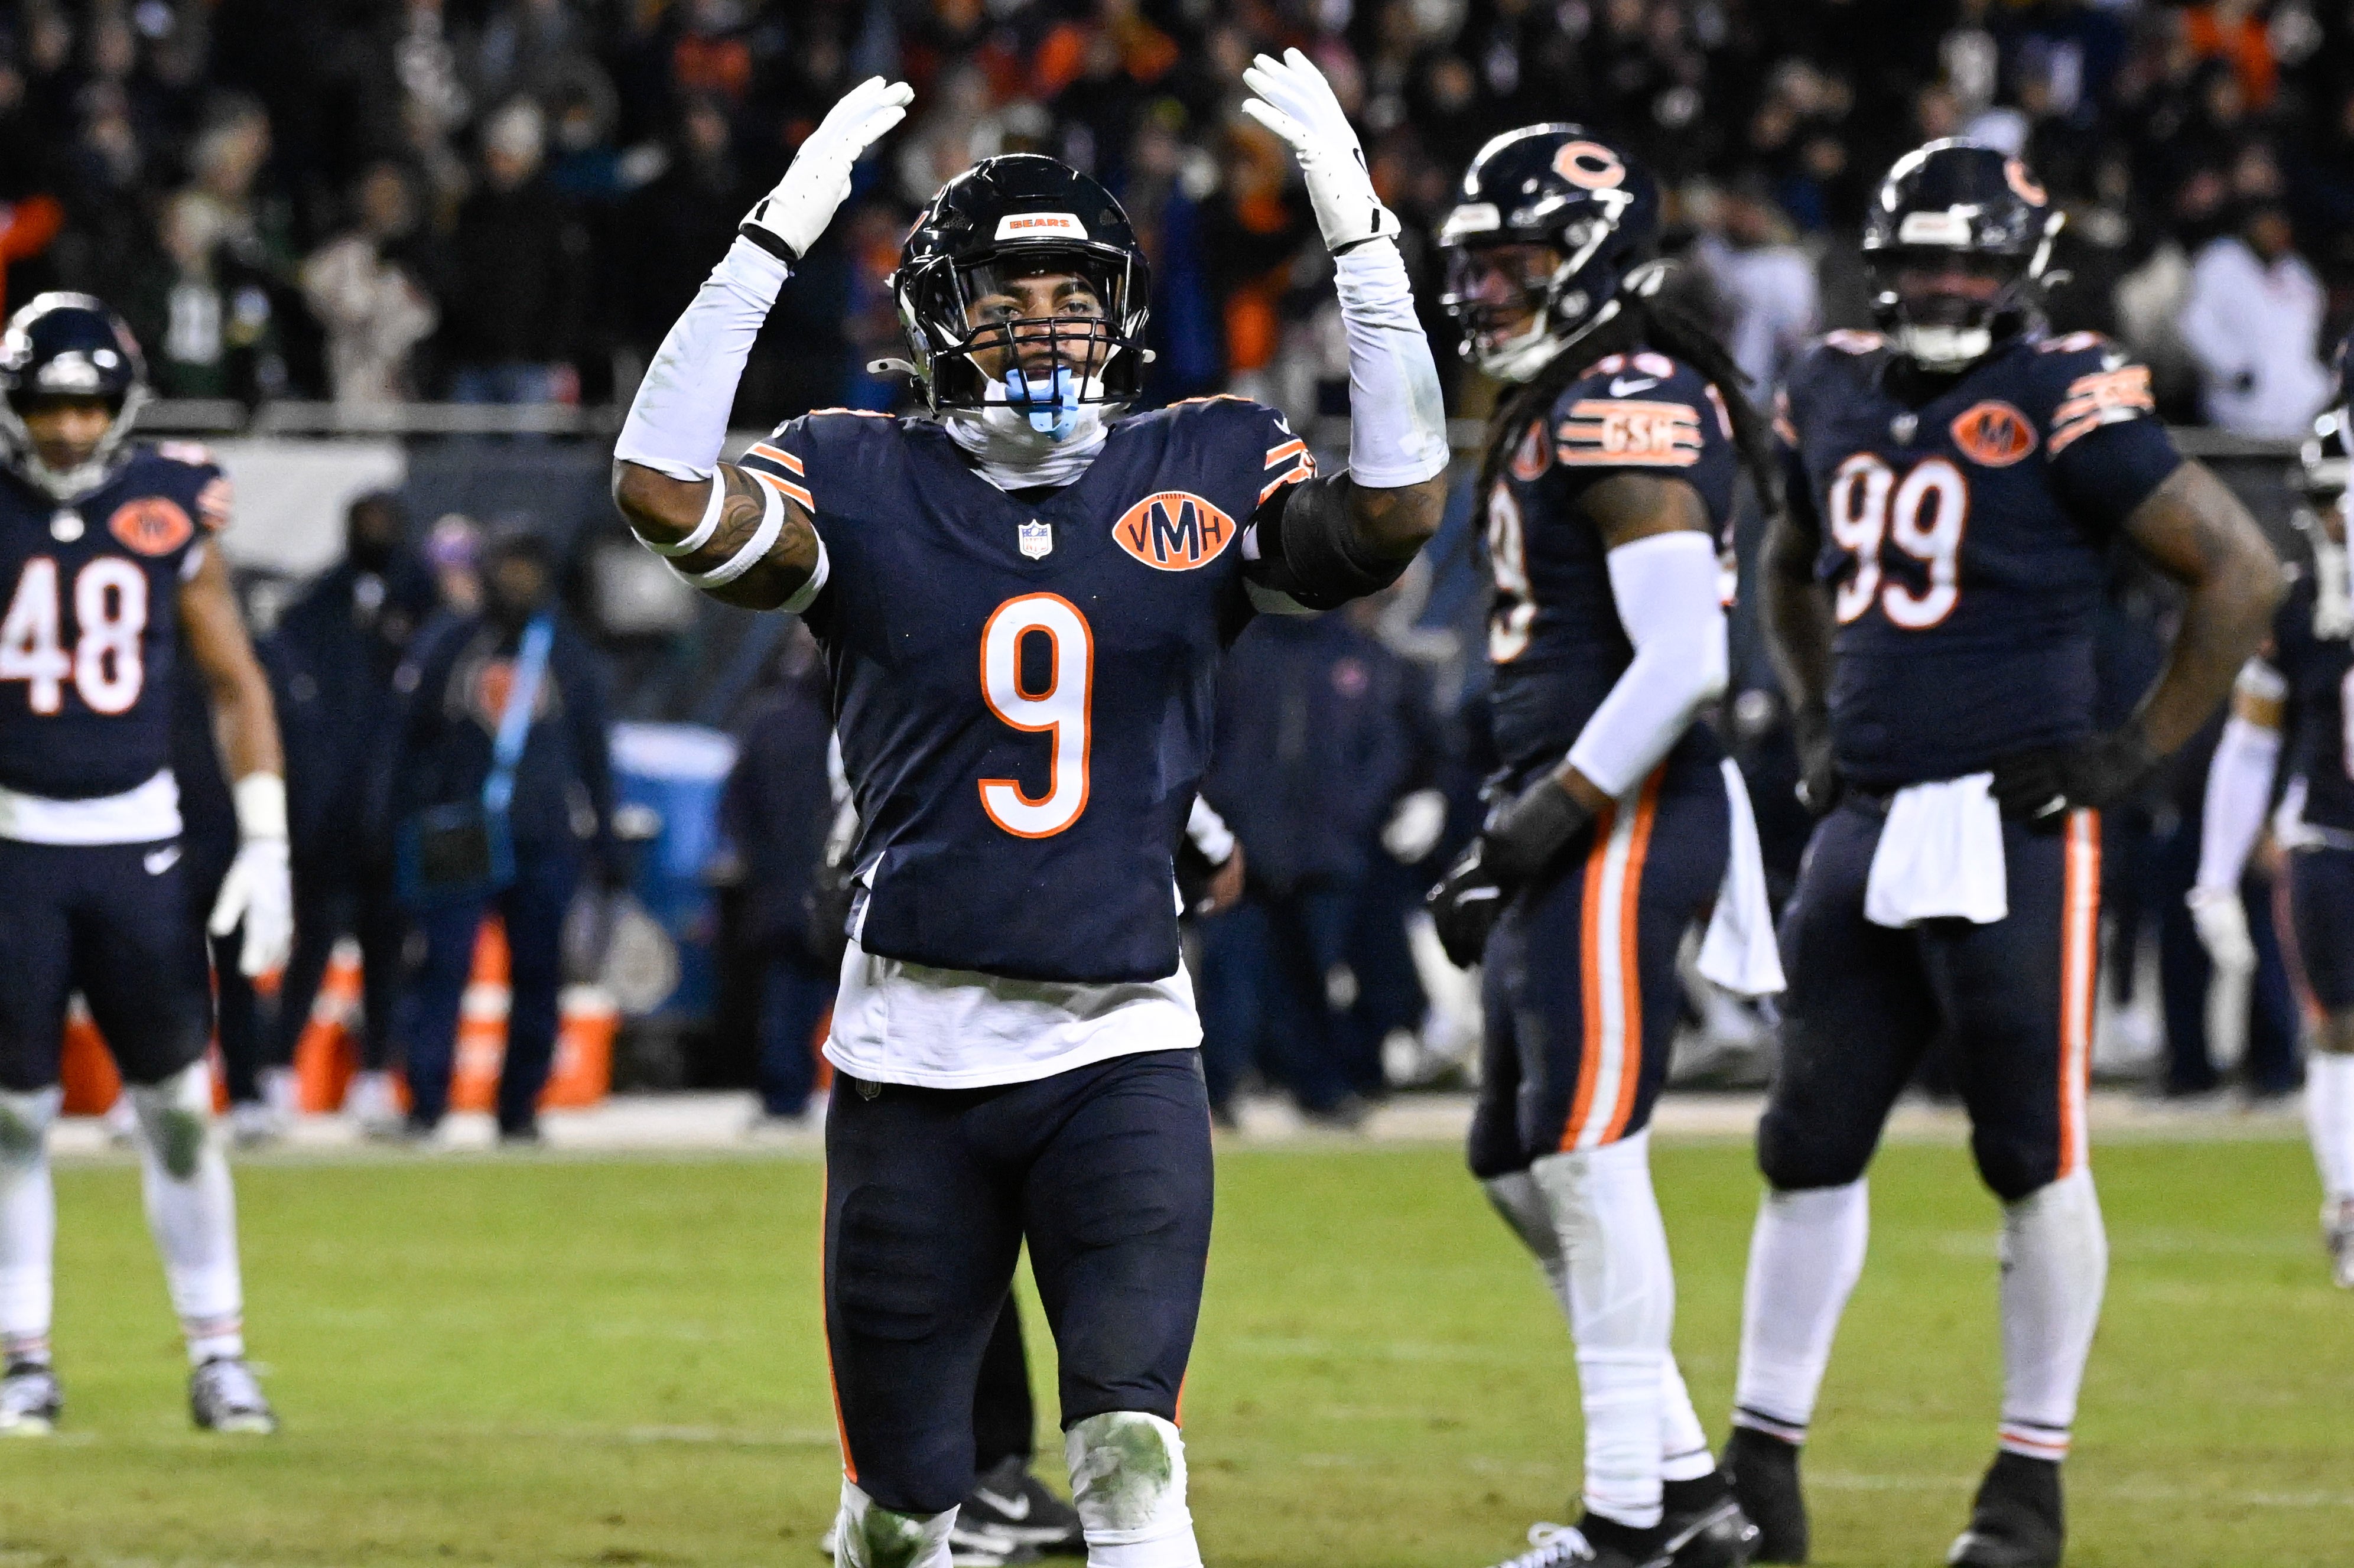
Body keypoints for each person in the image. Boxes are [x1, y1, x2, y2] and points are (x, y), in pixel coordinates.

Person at [610, 61, 1448, 1568]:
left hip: (1119, 1041)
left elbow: (1392, 509)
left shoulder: (1200, 456)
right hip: (908, 1051)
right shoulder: (859, 475)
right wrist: (775, 230)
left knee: (1130, 1458)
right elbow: (662, 487)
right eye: (1007, 295)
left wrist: (1360, 235)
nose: (1047, 322)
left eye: (1074, 292)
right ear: (938, 317)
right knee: (900, 1520)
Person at [1731, 142, 2280, 1568]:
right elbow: (1789, 552)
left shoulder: (2062, 396)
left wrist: (2132, 748)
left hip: (2009, 816)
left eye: (1972, 260)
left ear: (2022, 271)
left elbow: (2241, 570)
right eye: (1922, 257)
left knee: (2029, 1154)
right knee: (1803, 1142)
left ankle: (2027, 1485)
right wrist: (1805, 703)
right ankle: (1762, 1462)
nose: (1944, 284)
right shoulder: (1833, 380)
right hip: (1863, 811)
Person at [1422, 124, 1783, 1568]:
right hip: (1571, 804)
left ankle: (1629, 1521)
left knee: (1584, 1151)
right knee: (1516, 1158)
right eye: (1480, 266)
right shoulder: (1570, 388)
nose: (1492, 292)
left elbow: (1686, 655)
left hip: (1623, 813)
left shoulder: (1625, 394)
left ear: (1592, 257)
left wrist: (1542, 821)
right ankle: (1686, 1488)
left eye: (1516, 263)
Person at [0, 292, 290, 1434]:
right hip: (14, 840)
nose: (68, 430)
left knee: (177, 1107)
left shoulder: (170, 501)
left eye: (86, 404)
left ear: (122, 405)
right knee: (15, 1117)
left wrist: (266, 837)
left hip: (141, 844)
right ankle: (24, 1354)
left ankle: (218, 1351)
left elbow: (235, 684)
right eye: (46, 404)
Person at [2187, 362, 2354, 1287]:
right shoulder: (2301, 604)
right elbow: (2251, 746)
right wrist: (2214, 874)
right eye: (2318, 498)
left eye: (2337, 496)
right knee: (2338, 1027)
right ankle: (2349, 1199)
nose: (2326, 517)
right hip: (2334, 836)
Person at [386, 524, 617, 1143]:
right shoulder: (453, 643)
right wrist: (396, 821)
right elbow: (410, 744)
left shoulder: (566, 653)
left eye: (529, 568)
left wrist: (604, 832)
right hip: (461, 830)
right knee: (442, 969)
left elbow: (595, 750)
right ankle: (426, 1103)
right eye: (508, 567)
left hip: (544, 834)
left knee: (539, 975)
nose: (517, 581)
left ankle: (519, 1107)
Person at [266, 491, 438, 1135]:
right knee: (310, 950)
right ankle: (280, 1072)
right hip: (329, 818)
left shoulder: (425, 606)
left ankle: (372, 1078)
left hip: (394, 816)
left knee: (387, 956)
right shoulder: (317, 609)